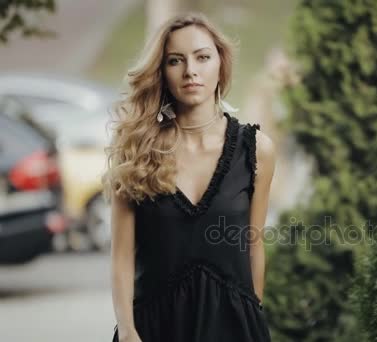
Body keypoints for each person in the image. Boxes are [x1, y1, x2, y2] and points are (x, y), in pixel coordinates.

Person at [102, 12, 276, 342]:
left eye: (202, 57)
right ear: (162, 72)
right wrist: (127, 331)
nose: (190, 71)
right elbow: (121, 256)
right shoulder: (137, 151)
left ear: (220, 65)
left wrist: (252, 312)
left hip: (234, 327)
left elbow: (254, 244)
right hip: (154, 330)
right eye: (175, 60)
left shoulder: (257, 151)